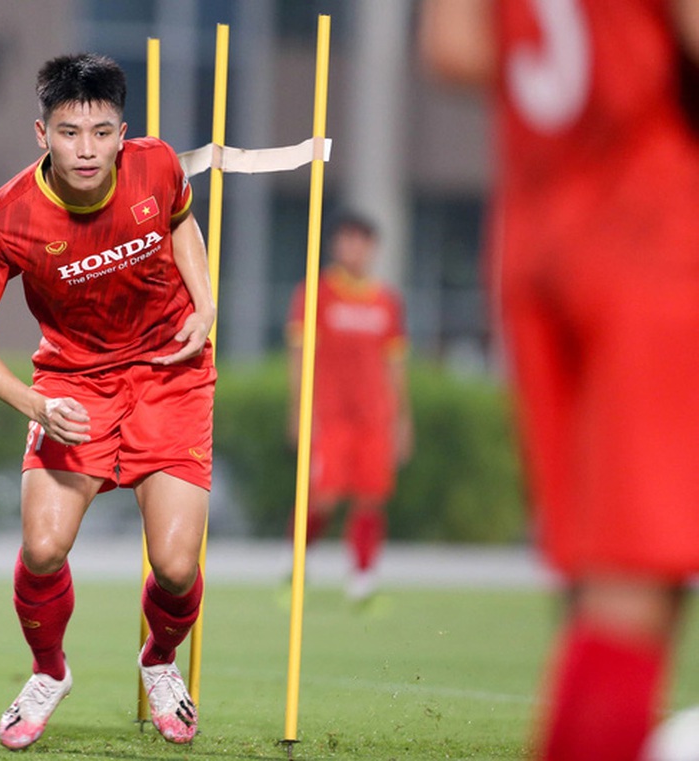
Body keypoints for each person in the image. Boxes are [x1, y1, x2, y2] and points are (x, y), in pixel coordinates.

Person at [419, 1, 699, 759]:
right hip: (650, 228)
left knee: (593, 590)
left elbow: (450, 45)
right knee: (631, 596)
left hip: (536, 243)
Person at [0, 52, 216, 750]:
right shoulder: (2, 217)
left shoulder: (157, 166)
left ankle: (159, 661)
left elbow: (182, 220)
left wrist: (206, 306)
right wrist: (34, 404)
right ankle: (49, 670)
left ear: (122, 132)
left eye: (100, 132)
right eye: (70, 133)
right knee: (42, 547)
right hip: (71, 383)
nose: (86, 149)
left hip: (168, 371)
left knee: (178, 564)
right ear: (42, 133)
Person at [286, 213, 412, 602]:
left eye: (362, 241)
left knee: (370, 496)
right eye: (347, 240)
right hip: (331, 415)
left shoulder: (386, 302)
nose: (353, 249)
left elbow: (395, 364)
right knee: (323, 494)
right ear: (337, 246)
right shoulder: (315, 294)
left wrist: (402, 419)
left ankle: (362, 581)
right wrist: (297, 409)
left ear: (372, 249)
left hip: (374, 417)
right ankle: (297, 564)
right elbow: (299, 356)